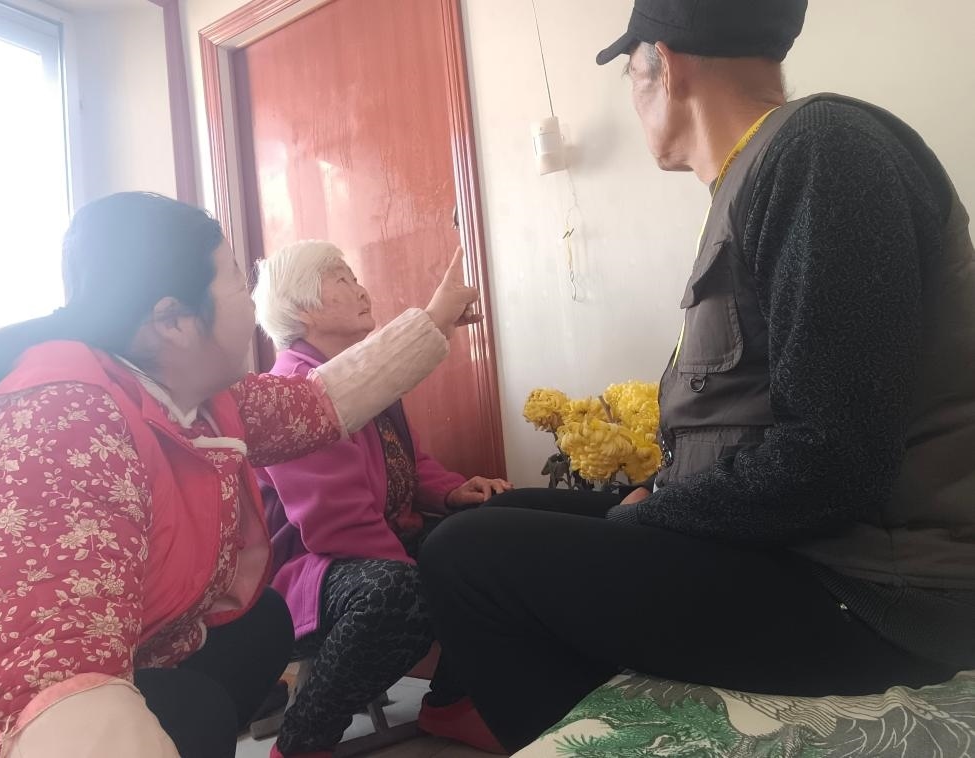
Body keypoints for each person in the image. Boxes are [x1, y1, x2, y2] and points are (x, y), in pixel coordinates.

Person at [418, 0, 975, 752]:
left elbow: (833, 460)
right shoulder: (767, 168)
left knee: (466, 560)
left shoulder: (822, 151)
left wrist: (650, 514)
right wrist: (655, 499)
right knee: (501, 513)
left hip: (872, 593)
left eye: (629, 72)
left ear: (665, 65)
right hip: (800, 550)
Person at [0, 192, 480, 758]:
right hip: (35, 714)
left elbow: (319, 403)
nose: (252, 306)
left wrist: (435, 320)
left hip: (149, 641)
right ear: (173, 319)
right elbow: (54, 685)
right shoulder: (64, 421)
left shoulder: (194, 393)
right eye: (237, 284)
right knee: (196, 708)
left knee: (257, 625)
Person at [252, 241, 511, 757]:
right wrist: (430, 577)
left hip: (376, 546)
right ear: (302, 309)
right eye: (342, 280)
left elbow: (406, 462)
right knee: (401, 590)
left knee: (489, 539)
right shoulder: (293, 391)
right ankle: (302, 741)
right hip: (309, 572)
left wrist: (452, 492)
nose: (361, 289)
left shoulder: (364, 376)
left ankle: (452, 701)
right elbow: (335, 524)